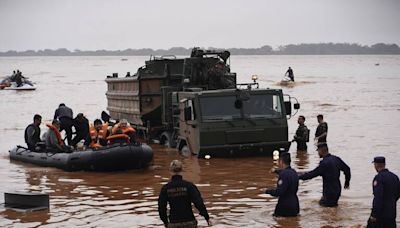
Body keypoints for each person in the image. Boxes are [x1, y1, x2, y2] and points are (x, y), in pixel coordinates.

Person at [158, 160, 211, 227]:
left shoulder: (165, 188)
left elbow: (161, 207)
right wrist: (206, 217)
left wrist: (165, 222)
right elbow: (199, 203)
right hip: (189, 221)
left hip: (174, 223)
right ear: (181, 169)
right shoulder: (189, 186)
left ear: (170, 170)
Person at [367, 156, 400, 228]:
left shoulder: (378, 178)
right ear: (384, 164)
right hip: (392, 213)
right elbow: (397, 194)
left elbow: (378, 198)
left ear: (376, 165)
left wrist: (374, 215)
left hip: (380, 216)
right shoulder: (395, 177)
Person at [265, 152, 300, 217]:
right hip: (295, 205)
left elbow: (280, 192)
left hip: (284, 205)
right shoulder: (294, 173)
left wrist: (268, 191)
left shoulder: (283, 175)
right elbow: (286, 172)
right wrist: (276, 171)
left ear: (281, 161)